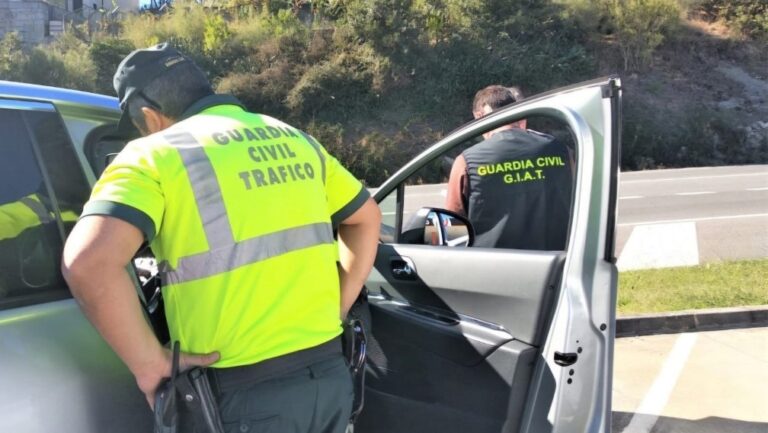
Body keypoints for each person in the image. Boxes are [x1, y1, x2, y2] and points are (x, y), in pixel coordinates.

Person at [62, 43, 381, 433]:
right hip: (328, 376)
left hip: (238, 394)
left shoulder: (153, 155)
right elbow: (366, 219)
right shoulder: (296, 140)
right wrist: (338, 304)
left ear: (149, 115)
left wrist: (149, 366)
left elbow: (88, 263)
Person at [445, 85, 572, 250]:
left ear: (479, 116)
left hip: (496, 267)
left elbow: (451, 228)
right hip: (557, 263)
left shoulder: (467, 162)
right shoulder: (560, 150)